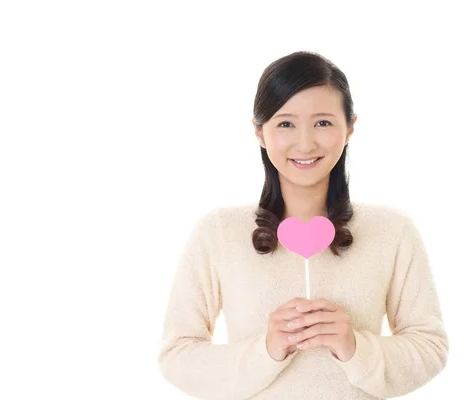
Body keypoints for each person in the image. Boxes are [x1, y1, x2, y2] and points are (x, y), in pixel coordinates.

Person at [157, 51, 448, 400]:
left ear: (350, 126)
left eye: (323, 122)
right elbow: (177, 355)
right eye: (285, 124)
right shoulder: (218, 233)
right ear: (259, 132)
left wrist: (356, 347)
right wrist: (266, 350)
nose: (305, 143)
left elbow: (429, 347)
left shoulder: (394, 231)